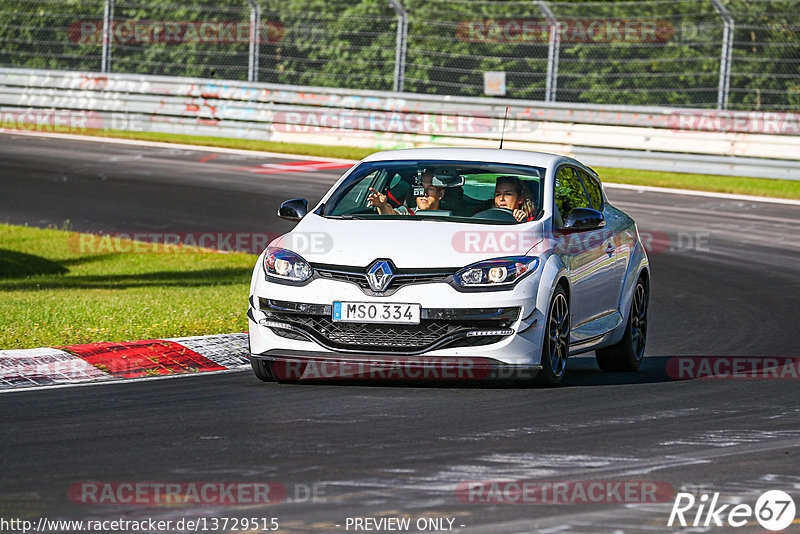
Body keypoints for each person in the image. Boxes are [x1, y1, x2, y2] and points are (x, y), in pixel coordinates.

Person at [367, 170, 445, 215]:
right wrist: (382, 205)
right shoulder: (406, 212)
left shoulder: (451, 217)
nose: (424, 194)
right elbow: (391, 215)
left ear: (441, 194)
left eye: (431, 189)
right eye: (421, 187)